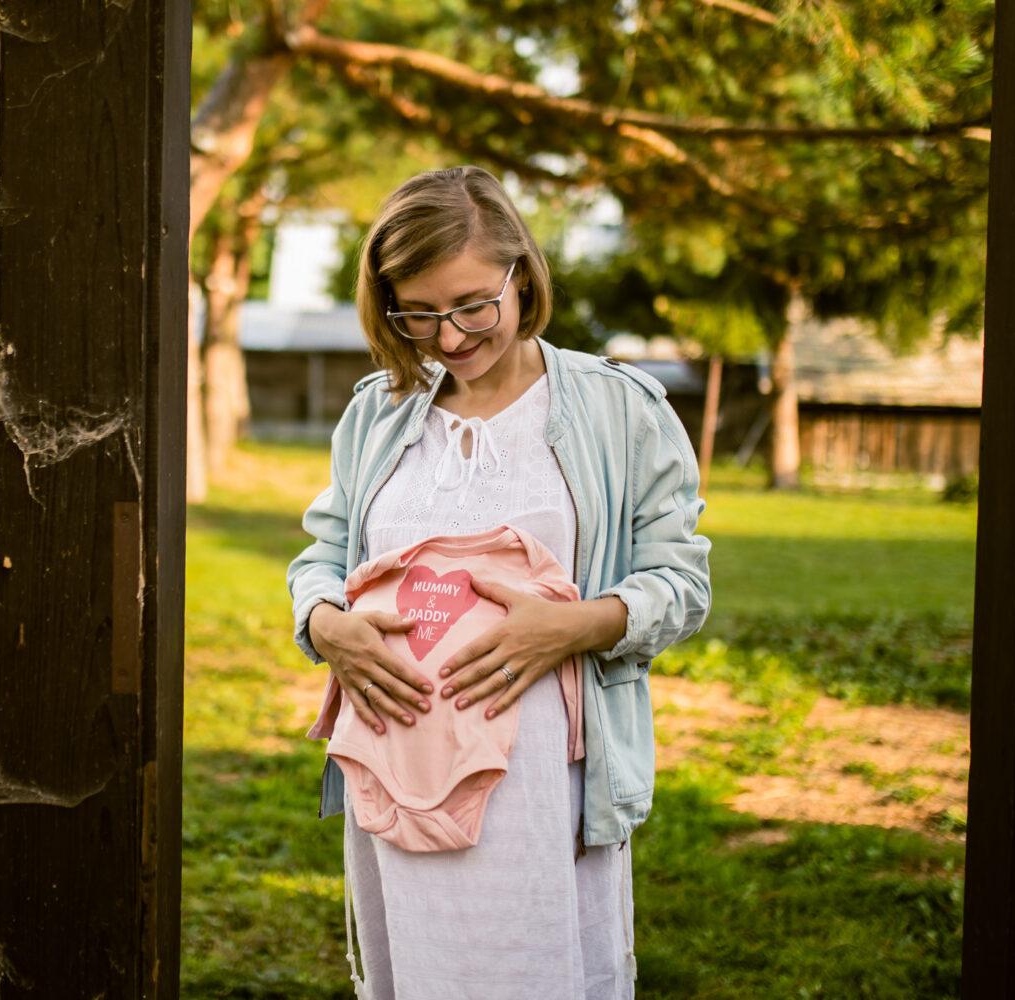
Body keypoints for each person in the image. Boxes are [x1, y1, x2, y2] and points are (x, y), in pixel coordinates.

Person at [286, 165, 712, 999]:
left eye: (472, 305)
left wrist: (579, 625)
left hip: (543, 792)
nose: (448, 339)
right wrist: (325, 624)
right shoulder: (379, 411)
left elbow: (682, 581)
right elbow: (322, 558)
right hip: (398, 773)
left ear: (523, 275)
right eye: (418, 314)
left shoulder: (617, 409)